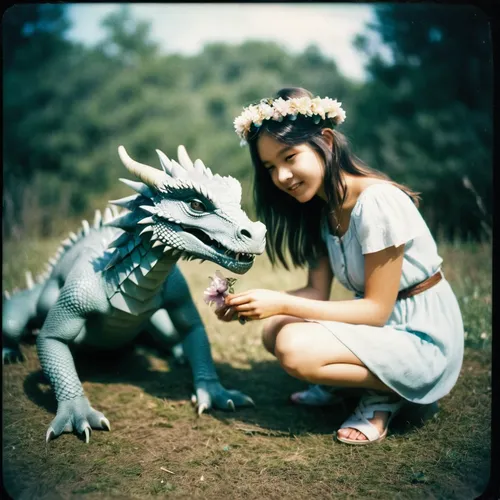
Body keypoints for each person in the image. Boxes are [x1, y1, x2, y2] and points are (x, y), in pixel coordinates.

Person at [215, 87, 464, 445]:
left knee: (294, 347)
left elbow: (377, 310)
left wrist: (281, 303)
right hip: (385, 328)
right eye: (270, 167)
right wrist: (253, 305)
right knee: (276, 328)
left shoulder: (376, 202)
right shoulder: (323, 209)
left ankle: (386, 396)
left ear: (326, 142)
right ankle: (342, 383)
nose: (281, 176)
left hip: (420, 334)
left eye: (290, 157)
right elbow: (316, 291)